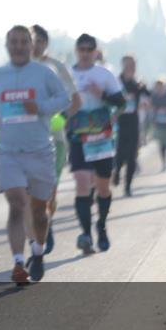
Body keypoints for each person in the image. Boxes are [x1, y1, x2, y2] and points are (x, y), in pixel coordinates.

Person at [0, 26, 70, 284]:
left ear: (31, 45)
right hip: (8, 152)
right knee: (17, 203)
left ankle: (38, 252)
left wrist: (40, 107)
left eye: (23, 42)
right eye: (13, 42)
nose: (18, 46)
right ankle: (19, 262)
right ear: (7, 45)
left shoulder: (44, 73)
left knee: (39, 211)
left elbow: (64, 99)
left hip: (40, 151)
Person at [66, 34, 125, 253]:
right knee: (82, 184)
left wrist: (102, 95)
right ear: (76, 51)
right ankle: (85, 233)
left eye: (89, 49)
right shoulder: (68, 75)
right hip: (78, 138)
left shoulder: (104, 74)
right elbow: (59, 104)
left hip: (102, 138)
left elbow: (121, 103)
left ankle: (101, 226)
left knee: (103, 188)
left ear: (95, 51)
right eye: (81, 49)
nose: (85, 52)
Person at [32, 24, 80, 252]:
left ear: (45, 43)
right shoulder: (16, 69)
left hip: (55, 138)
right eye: (33, 40)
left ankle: (46, 225)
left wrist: (61, 116)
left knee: (49, 190)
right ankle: (37, 232)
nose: (36, 45)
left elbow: (74, 100)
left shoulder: (56, 67)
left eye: (40, 40)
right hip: (26, 140)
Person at [113, 55, 149, 197]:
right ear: (123, 66)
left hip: (134, 122)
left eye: (133, 65)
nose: (131, 67)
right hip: (120, 122)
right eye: (128, 65)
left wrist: (145, 101)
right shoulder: (116, 82)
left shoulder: (138, 83)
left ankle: (127, 186)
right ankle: (116, 171)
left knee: (132, 155)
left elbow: (147, 100)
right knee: (121, 154)